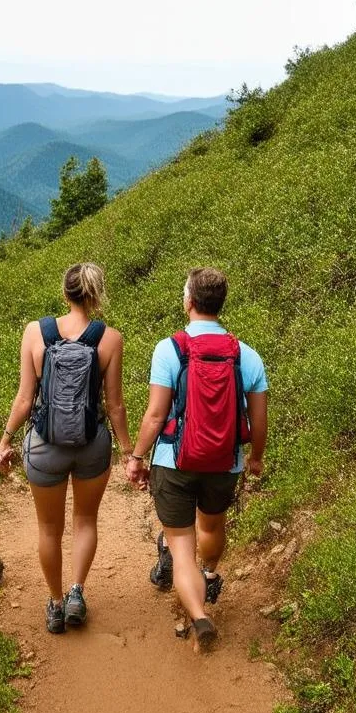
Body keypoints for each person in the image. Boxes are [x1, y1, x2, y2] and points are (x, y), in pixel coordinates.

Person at [126, 267, 268, 650]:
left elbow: (156, 415)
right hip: (225, 462)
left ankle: (200, 615)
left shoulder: (169, 349)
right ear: (220, 304)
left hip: (175, 461)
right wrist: (254, 458)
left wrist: (136, 457)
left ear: (189, 301)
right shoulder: (247, 355)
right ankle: (210, 573)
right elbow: (258, 419)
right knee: (211, 526)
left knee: (180, 544)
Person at [0, 263, 132, 634]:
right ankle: (76, 593)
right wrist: (130, 452)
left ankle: (54, 604)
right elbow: (115, 405)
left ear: (64, 292)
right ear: (96, 295)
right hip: (91, 445)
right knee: (85, 520)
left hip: (45, 446)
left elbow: (25, 399)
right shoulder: (110, 339)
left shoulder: (35, 333)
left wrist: (5, 440)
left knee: (49, 529)